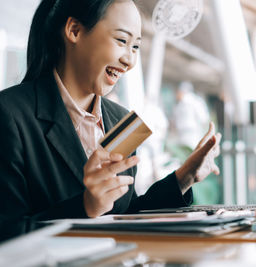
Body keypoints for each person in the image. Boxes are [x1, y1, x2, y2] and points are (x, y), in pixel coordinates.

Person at [0, 0, 221, 225]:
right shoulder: (8, 115)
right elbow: (7, 234)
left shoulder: (121, 120)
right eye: (122, 40)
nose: (130, 61)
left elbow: (124, 213)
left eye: (135, 46)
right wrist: (85, 206)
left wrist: (184, 177)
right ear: (74, 31)